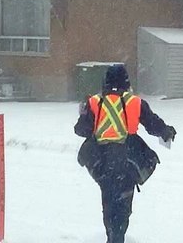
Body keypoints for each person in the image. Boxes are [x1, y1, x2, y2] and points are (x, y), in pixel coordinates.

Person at [74, 63, 176, 243]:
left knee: (108, 201)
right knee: (123, 202)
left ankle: (111, 235)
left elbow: (81, 130)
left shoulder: (94, 102)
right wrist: (167, 131)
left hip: (101, 159)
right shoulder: (135, 102)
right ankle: (118, 235)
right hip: (127, 158)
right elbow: (152, 124)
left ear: (105, 81)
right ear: (126, 81)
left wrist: (84, 114)